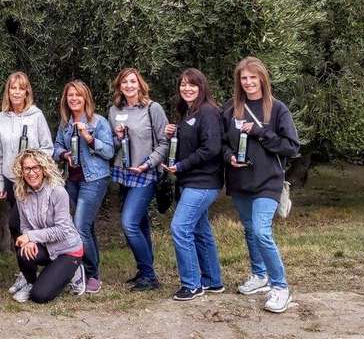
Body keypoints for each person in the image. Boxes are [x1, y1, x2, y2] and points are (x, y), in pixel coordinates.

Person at [222, 56, 300, 313]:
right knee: (249, 229)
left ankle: (280, 287)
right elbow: (221, 142)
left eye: (253, 77)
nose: (248, 82)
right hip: (240, 180)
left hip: (268, 181)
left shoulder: (277, 109)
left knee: (261, 231)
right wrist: (228, 156)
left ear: (262, 79)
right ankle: (259, 275)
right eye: (244, 78)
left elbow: (291, 147)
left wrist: (260, 132)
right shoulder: (230, 108)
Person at [162, 68, 224, 301]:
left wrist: (181, 166)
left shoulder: (208, 111)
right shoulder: (189, 112)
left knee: (180, 227)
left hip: (204, 182)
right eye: (183, 84)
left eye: (192, 84)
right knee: (200, 230)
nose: (187, 88)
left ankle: (191, 284)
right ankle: (212, 281)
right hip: (190, 181)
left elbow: (211, 148)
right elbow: (191, 142)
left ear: (202, 87)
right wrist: (174, 133)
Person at [108, 67, 169, 291]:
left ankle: (149, 276)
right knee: (140, 223)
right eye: (124, 82)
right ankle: (145, 272)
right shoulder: (114, 111)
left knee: (129, 223)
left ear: (140, 84)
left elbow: (164, 142)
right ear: (119, 86)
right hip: (124, 174)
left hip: (145, 173)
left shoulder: (153, 108)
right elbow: (112, 145)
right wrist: (118, 137)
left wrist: (148, 163)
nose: (129, 86)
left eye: (133, 81)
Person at [0, 71, 53, 294]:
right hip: (11, 181)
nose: (17, 92)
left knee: (22, 223)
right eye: (13, 88)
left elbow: (48, 147)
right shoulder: (1, 118)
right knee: (18, 226)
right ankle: (26, 271)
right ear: (8, 91)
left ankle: (38, 268)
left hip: (32, 181)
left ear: (27, 91)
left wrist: (34, 165)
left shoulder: (36, 116)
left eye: (21, 88)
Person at [53, 80, 114, 294]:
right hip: (73, 180)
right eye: (70, 95)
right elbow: (56, 147)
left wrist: (89, 138)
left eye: (78, 95)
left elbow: (109, 152)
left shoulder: (98, 122)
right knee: (85, 226)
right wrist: (64, 154)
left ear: (85, 98)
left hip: (94, 179)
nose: (74, 99)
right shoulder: (65, 124)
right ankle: (89, 270)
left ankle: (92, 275)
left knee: (80, 226)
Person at [11, 149, 84, 303]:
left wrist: (30, 236)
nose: (31, 173)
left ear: (44, 169)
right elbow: (24, 224)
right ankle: (30, 282)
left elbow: (62, 230)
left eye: (36, 167)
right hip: (46, 246)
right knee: (23, 251)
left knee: (40, 296)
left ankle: (76, 271)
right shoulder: (21, 192)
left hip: (67, 250)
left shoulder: (58, 191)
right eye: (27, 168)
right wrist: (29, 240)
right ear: (21, 171)